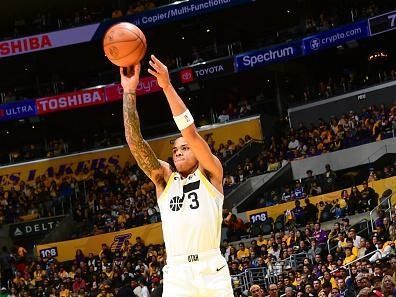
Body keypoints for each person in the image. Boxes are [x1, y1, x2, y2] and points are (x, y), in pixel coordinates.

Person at [121, 56, 233, 297]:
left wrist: (167, 86)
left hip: (211, 268)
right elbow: (134, 141)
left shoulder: (211, 172)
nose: (179, 151)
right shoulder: (164, 179)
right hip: (177, 272)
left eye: (185, 148)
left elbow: (190, 132)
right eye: (175, 150)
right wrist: (129, 92)